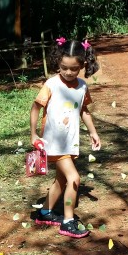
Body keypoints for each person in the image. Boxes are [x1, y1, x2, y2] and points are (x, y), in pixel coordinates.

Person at [30, 37, 101, 238]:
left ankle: (44, 212)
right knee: (74, 178)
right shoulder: (51, 84)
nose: (69, 72)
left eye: (74, 69)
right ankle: (68, 221)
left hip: (70, 142)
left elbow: (84, 111)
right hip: (53, 143)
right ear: (58, 62)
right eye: (64, 67)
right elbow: (35, 108)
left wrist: (93, 132)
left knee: (61, 180)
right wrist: (33, 134)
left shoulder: (82, 87)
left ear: (82, 66)